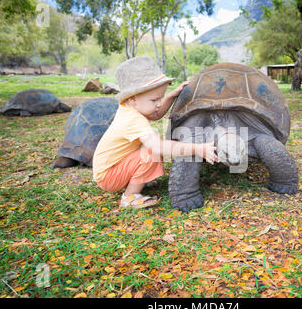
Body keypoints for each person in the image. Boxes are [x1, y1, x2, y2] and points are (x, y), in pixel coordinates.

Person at [93, 56, 218, 209]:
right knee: (152, 150)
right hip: (108, 176)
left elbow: (156, 114)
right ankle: (129, 198)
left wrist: (172, 95)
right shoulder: (133, 120)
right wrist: (198, 149)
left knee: (150, 145)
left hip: (112, 168)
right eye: (154, 100)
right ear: (133, 98)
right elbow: (159, 148)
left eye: (161, 98)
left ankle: (138, 178)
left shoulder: (130, 107)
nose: (159, 104)